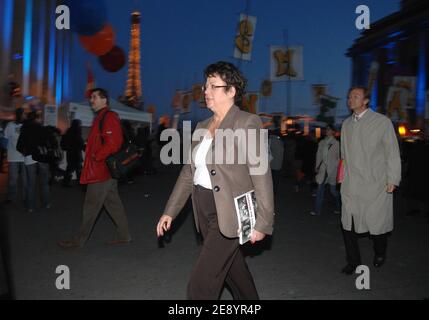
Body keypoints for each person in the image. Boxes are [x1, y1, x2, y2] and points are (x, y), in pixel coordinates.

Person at [156, 61, 274, 300]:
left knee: (200, 285)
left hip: (230, 211)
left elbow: (260, 173)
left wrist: (263, 221)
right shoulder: (201, 126)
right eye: (205, 86)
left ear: (231, 91)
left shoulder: (246, 122)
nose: (206, 92)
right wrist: (170, 211)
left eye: (213, 86)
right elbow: (188, 173)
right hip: (203, 208)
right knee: (233, 271)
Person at [58, 88, 131, 249]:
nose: (91, 100)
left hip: (101, 171)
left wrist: (96, 156)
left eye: (94, 97)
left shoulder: (108, 116)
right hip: (104, 170)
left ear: (104, 100)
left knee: (90, 207)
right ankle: (124, 235)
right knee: (114, 204)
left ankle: (78, 241)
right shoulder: (101, 117)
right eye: (91, 97)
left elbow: (114, 142)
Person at [340, 86, 401, 275]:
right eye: (349, 96)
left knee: (377, 225)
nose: (351, 99)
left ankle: (380, 252)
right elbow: (343, 155)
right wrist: (341, 177)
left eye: (356, 96)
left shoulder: (382, 122)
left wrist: (393, 179)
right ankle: (353, 261)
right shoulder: (346, 125)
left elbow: (392, 153)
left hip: (375, 183)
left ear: (366, 100)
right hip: (351, 183)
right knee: (347, 224)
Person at [17, 111, 51, 212]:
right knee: (44, 182)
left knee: (31, 183)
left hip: (29, 158)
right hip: (42, 157)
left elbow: (19, 146)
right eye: (40, 117)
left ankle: (30, 207)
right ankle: (46, 203)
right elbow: (48, 143)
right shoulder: (42, 128)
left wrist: (25, 151)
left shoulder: (24, 129)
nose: (41, 119)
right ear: (36, 119)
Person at [310, 124, 340, 216]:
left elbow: (338, 158)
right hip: (323, 169)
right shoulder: (322, 142)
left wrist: (333, 165)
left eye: (329, 129)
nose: (326, 131)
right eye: (326, 129)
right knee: (320, 189)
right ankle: (317, 210)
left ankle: (339, 206)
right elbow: (318, 155)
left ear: (333, 132)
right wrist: (317, 166)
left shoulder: (336, 143)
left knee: (333, 191)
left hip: (332, 170)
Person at [4, 108, 25, 204]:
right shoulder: (10, 125)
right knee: (13, 178)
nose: (24, 116)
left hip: (24, 157)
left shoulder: (26, 125)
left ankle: (25, 196)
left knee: (25, 178)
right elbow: (5, 139)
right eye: (23, 114)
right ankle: (12, 196)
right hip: (13, 157)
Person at [61, 119, 85, 187]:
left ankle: (65, 183)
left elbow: (64, 144)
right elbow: (81, 144)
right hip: (76, 154)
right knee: (79, 169)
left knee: (70, 169)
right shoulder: (77, 132)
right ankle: (82, 184)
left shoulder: (68, 132)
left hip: (70, 154)